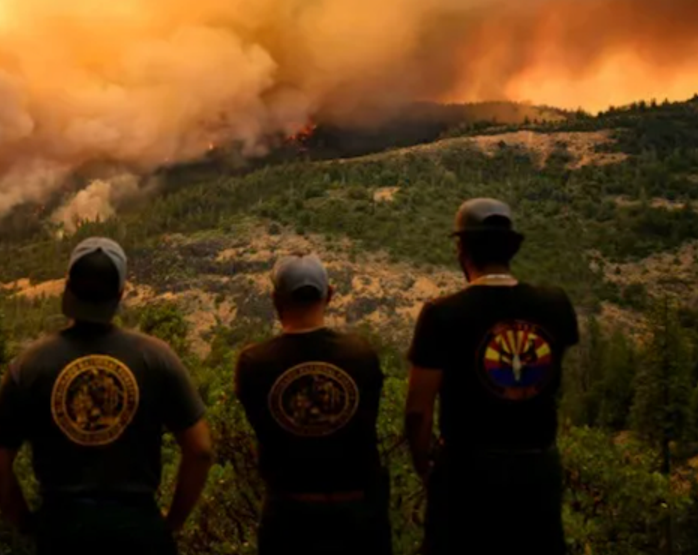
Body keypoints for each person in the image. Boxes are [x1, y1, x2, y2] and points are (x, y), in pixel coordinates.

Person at [0, 236, 214, 555]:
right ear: (120, 293)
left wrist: (25, 522)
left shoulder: (29, 365)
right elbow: (200, 449)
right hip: (137, 529)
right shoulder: (156, 358)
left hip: (63, 531)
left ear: (67, 287)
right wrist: (171, 521)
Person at [405, 198, 579, 555]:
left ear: (462, 250)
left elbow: (417, 411)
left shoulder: (442, 314)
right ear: (511, 249)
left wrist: (425, 467)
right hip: (537, 470)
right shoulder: (555, 305)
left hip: (466, 473)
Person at [235, 254, 391, 555]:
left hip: (289, 517)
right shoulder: (360, 354)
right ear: (329, 294)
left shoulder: (254, 363)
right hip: (357, 514)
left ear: (275, 299)